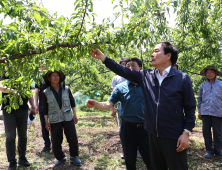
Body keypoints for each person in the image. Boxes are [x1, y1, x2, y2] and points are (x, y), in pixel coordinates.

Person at [90, 41, 196, 170]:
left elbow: (190, 109)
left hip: (173, 136)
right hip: (152, 135)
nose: (152, 54)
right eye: (152, 51)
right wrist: (104, 58)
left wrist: (186, 133)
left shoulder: (183, 79)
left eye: (156, 51)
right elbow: (122, 70)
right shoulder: (146, 76)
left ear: (168, 56)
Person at [87, 58, 150, 170]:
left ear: (141, 69)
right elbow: (108, 104)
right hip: (127, 128)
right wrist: (96, 103)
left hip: (146, 128)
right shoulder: (120, 87)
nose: (130, 68)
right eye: (127, 66)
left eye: (133, 65)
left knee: (150, 160)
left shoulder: (149, 85)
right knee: (129, 160)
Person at [42, 70, 81, 167]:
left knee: (72, 137)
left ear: (60, 78)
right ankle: (60, 158)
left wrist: (75, 114)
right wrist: (46, 121)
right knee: (55, 139)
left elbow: (72, 102)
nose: (55, 77)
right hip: (54, 118)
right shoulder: (45, 92)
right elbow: (45, 108)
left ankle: (73, 156)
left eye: (57, 75)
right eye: (53, 75)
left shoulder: (66, 89)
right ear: (49, 78)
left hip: (68, 116)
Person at [0, 69, 36, 170]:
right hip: (8, 109)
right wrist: (12, 91)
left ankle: (22, 157)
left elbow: (28, 91)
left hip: (23, 109)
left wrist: (33, 106)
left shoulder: (25, 71)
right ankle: (12, 161)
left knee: (23, 134)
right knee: (10, 136)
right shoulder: (4, 72)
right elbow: (0, 86)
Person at [197, 66, 222, 158]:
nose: (209, 74)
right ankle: (209, 151)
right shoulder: (202, 85)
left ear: (215, 73)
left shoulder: (221, 85)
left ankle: (218, 151)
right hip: (205, 112)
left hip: (218, 112)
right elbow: (199, 98)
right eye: (207, 72)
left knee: (218, 133)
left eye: (211, 72)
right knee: (206, 132)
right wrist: (199, 111)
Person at [111, 57, 128, 159]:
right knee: (122, 128)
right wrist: (112, 108)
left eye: (125, 64)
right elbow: (113, 94)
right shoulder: (116, 78)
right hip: (121, 105)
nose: (123, 65)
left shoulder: (132, 75)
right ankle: (124, 150)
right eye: (121, 63)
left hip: (132, 105)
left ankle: (138, 149)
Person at [34, 67, 51, 152]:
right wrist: (36, 105)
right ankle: (47, 144)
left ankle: (56, 143)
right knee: (44, 124)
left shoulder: (52, 76)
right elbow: (36, 92)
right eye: (41, 66)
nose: (43, 67)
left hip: (53, 105)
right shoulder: (39, 78)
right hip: (42, 105)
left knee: (55, 124)